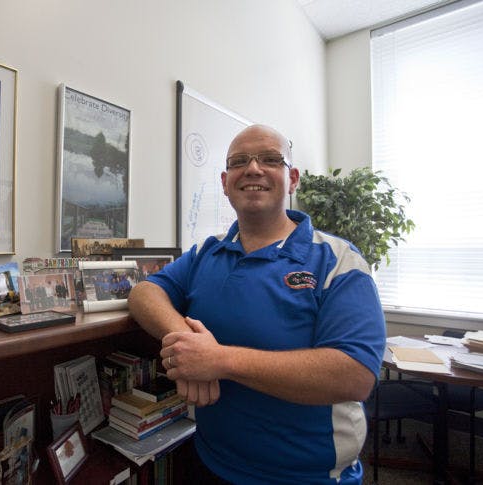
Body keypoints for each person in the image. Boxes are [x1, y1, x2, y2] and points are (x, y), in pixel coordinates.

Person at [127, 124, 386, 484]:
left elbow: (354, 373)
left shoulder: (338, 261)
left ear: (292, 178)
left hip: (308, 477)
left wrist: (219, 360)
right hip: (210, 462)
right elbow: (144, 292)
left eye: (269, 159)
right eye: (238, 162)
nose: (252, 169)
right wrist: (186, 344)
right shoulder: (208, 251)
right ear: (225, 181)